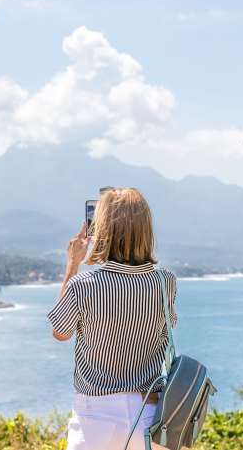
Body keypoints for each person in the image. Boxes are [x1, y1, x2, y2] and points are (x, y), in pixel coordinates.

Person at [47, 187, 177, 450]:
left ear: (103, 229)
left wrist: (72, 264)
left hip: (96, 417)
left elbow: (61, 331)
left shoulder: (84, 285)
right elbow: (166, 327)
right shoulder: (166, 282)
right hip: (150, 415)